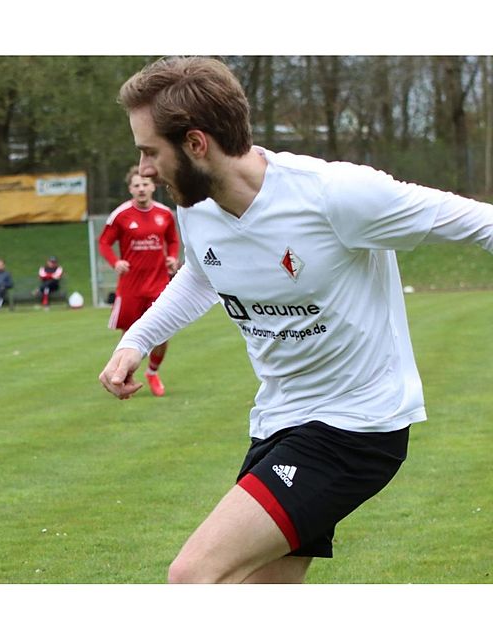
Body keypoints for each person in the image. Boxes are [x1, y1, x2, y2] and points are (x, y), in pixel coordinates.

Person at [99, 56, 493, 584]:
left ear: (196, 144)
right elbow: (201, 274)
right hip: (278, 421)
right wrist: (138, 340)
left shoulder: (335, 194)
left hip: (355, 427)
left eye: (150, 152)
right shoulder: (195, 205)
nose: (144, 170)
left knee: (194, 577)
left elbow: (478, 223)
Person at [98, 166, 180, 396]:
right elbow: (104, 243)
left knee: (162, 333)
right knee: (129, 335)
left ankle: (152, 373)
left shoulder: (165, 214)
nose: (141, 189)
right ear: (130, 189)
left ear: (153, 186)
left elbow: (173, 240)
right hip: (131, 286)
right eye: (137, 185)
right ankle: (122, 376)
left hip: (158, 283)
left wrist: (172, 257)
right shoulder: (121, 215)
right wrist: (116, 262)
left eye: (145, 184)